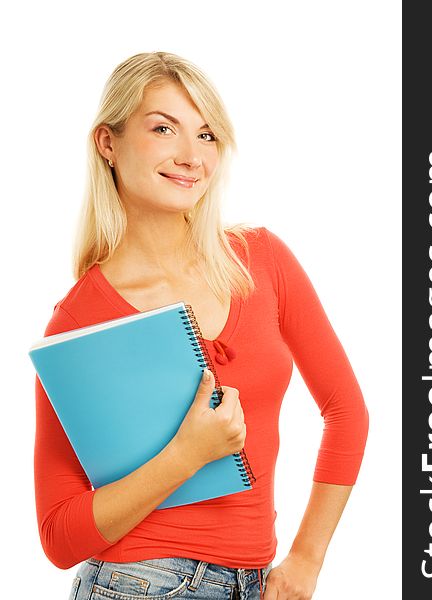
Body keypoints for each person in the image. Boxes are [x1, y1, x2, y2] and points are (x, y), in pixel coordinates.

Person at [34, 51, 369, 600]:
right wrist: (185, 456)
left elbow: (347, 412)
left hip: (256, 581)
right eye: (163, 129)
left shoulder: (261, 260)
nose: (191, 156)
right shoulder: (79, 319)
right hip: (139, 583)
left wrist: (306, 559)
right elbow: (58, 536)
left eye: (208, 135)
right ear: (108, 143)